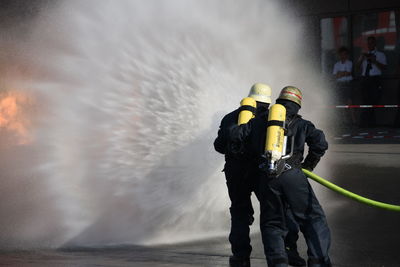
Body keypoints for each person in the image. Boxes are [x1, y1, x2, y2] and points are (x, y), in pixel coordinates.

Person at [214, 83, 306, 267]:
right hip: (261, 172)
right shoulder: (271, 118)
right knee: (276, 212)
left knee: (239, 212)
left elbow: (219, 146)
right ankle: (288, 252)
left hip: (235, 173)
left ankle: (240, 257)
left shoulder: (230, 117)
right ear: (268, 100)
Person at [248, 86, 332, 267]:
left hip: (267, 176)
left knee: (272, 224)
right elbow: (320, 144)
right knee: (312, 218)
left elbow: (247, 144)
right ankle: (318, 261)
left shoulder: (259, 121)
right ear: (297, 105)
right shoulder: (303, 124)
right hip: (293, 174)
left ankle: (279, 262)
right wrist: (308, 165)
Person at [356, 36, 387, 127]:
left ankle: (370, 122)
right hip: (365, 78)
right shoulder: (364, 54)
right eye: (368, 43)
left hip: (375, 79)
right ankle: (365, 123)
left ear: (375, 43)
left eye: (372, 43)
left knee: (374, 100)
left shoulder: (380, 54)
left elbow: (384, 67)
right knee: (365, 100)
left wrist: (375, 61)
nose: (370, 45)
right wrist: (362, 58)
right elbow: (357, 67)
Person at [332, 46, 356, 128]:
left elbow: (348, 73)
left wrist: (340, 73)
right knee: (341, 103)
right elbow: (335, 76)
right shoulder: (336, 64)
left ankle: (353, 121)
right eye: (341, 54)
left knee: (349, 102)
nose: (343, 56)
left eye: (345, 54)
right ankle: (344, 121)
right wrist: (342, 73)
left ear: (347, 55)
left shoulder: (349, 63)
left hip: (348, 83)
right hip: (340, 84)